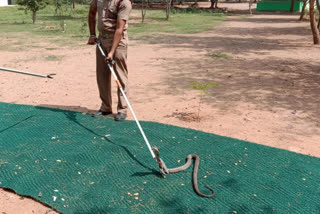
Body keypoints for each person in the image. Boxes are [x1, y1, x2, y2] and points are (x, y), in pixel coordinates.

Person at [87, 0, 132, 121]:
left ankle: (122, 110)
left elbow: (119, 29)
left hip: (118, 42)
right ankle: (105, 107)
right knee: (102, 76)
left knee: (120, 76)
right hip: (102, 40)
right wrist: (92, 35)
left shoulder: (124, 3)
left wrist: (112, 52)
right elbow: (91, 13)